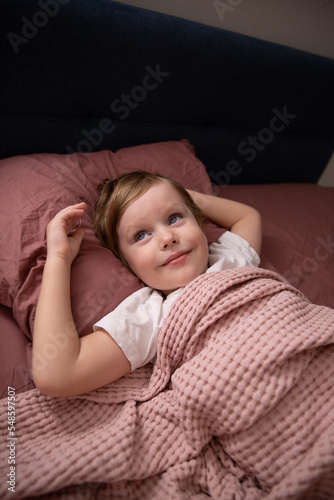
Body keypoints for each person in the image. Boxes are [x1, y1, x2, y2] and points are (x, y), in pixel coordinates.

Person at [32, 171, 262, 397]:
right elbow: (57, 374)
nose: (167, 238)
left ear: (199, 222)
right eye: (141, 235)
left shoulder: (229, 260)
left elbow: (247, 217)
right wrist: (59, 259)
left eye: (174, 218)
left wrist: (182, 196)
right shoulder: (153, 317)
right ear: (126, 263)